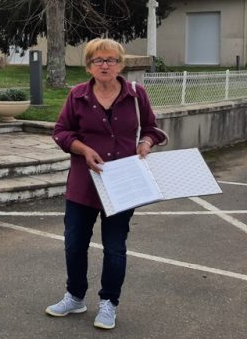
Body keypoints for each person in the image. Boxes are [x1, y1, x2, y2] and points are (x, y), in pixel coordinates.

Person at [46, 38, 166, 330]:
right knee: (74, 244)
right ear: (89, 66)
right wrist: (83, 150)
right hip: (84, 184)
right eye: (98, 60)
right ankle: (75, 297)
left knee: (114, 248)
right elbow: (61, 132)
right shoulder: (77, 95)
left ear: (120, 64)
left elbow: (152, 128)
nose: (105, 65)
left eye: (111, 60)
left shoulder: (136, 95)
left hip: (122, 185)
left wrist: (145, 143)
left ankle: (109, 302)